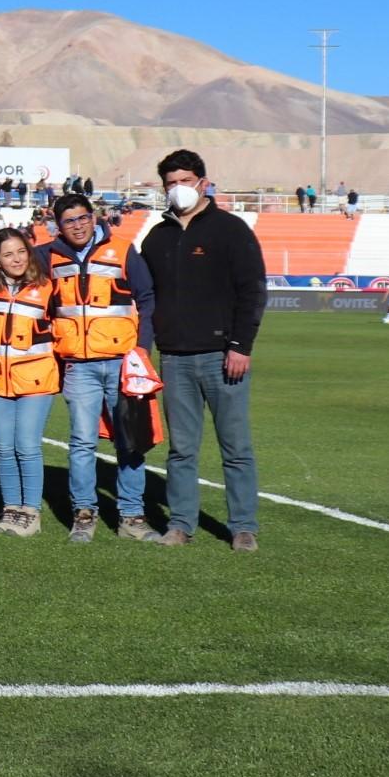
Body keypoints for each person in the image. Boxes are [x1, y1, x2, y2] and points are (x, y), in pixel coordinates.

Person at [141, 150, 266, 551]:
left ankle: (243, 525)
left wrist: (240, 345)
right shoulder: (157, 236)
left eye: (185, 180)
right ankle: (180, 524)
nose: (178, 189)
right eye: (170, 182)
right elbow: (145, 295)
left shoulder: (231, 230)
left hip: (222, 356)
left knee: (236, 447)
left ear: (203, 182)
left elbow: (252, 292)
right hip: (174, 358)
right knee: (181, 450)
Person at [37, 193, 160, 543]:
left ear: (94, 218)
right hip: (78, 367)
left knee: (130, 441)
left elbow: (147, 299)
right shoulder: (48, 256)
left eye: (82, 218)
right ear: (58, 226)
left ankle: (132, 516)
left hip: (122, 363)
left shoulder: (122, 250)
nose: (77, 225)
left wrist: (140, 350)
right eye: (69, 221)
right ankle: (84, 513)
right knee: (81, 443)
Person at [0, 228, 59, 537]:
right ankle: (11, 508)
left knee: (27, 446)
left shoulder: (48, 288)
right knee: (4, 448)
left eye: (21, 251)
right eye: (8, 254)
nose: (16, 258)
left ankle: (30, 512)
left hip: (36, 378)